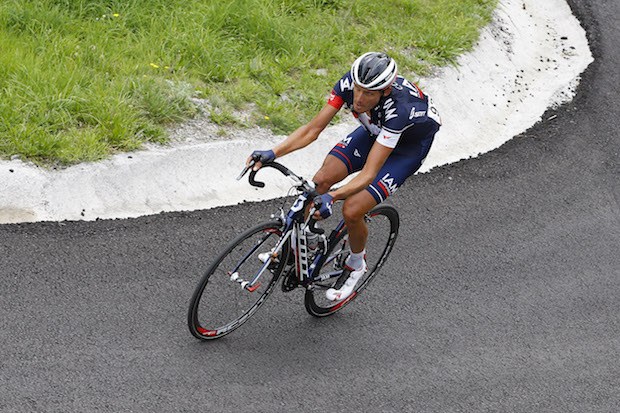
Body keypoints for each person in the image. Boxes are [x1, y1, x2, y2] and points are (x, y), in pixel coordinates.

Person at [247, 52, 441, 302]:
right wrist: (273, 153)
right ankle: (299, 246)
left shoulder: (399, 110)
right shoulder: (350, 83)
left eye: (369, 94)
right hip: (375, 131)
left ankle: (356, 263)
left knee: (352, 209)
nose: (359, 100)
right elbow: (312, 129)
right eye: (358, 90)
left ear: (385, 90)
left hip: (406, 149)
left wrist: (333, 197)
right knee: (320, 180)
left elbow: (370, 173)